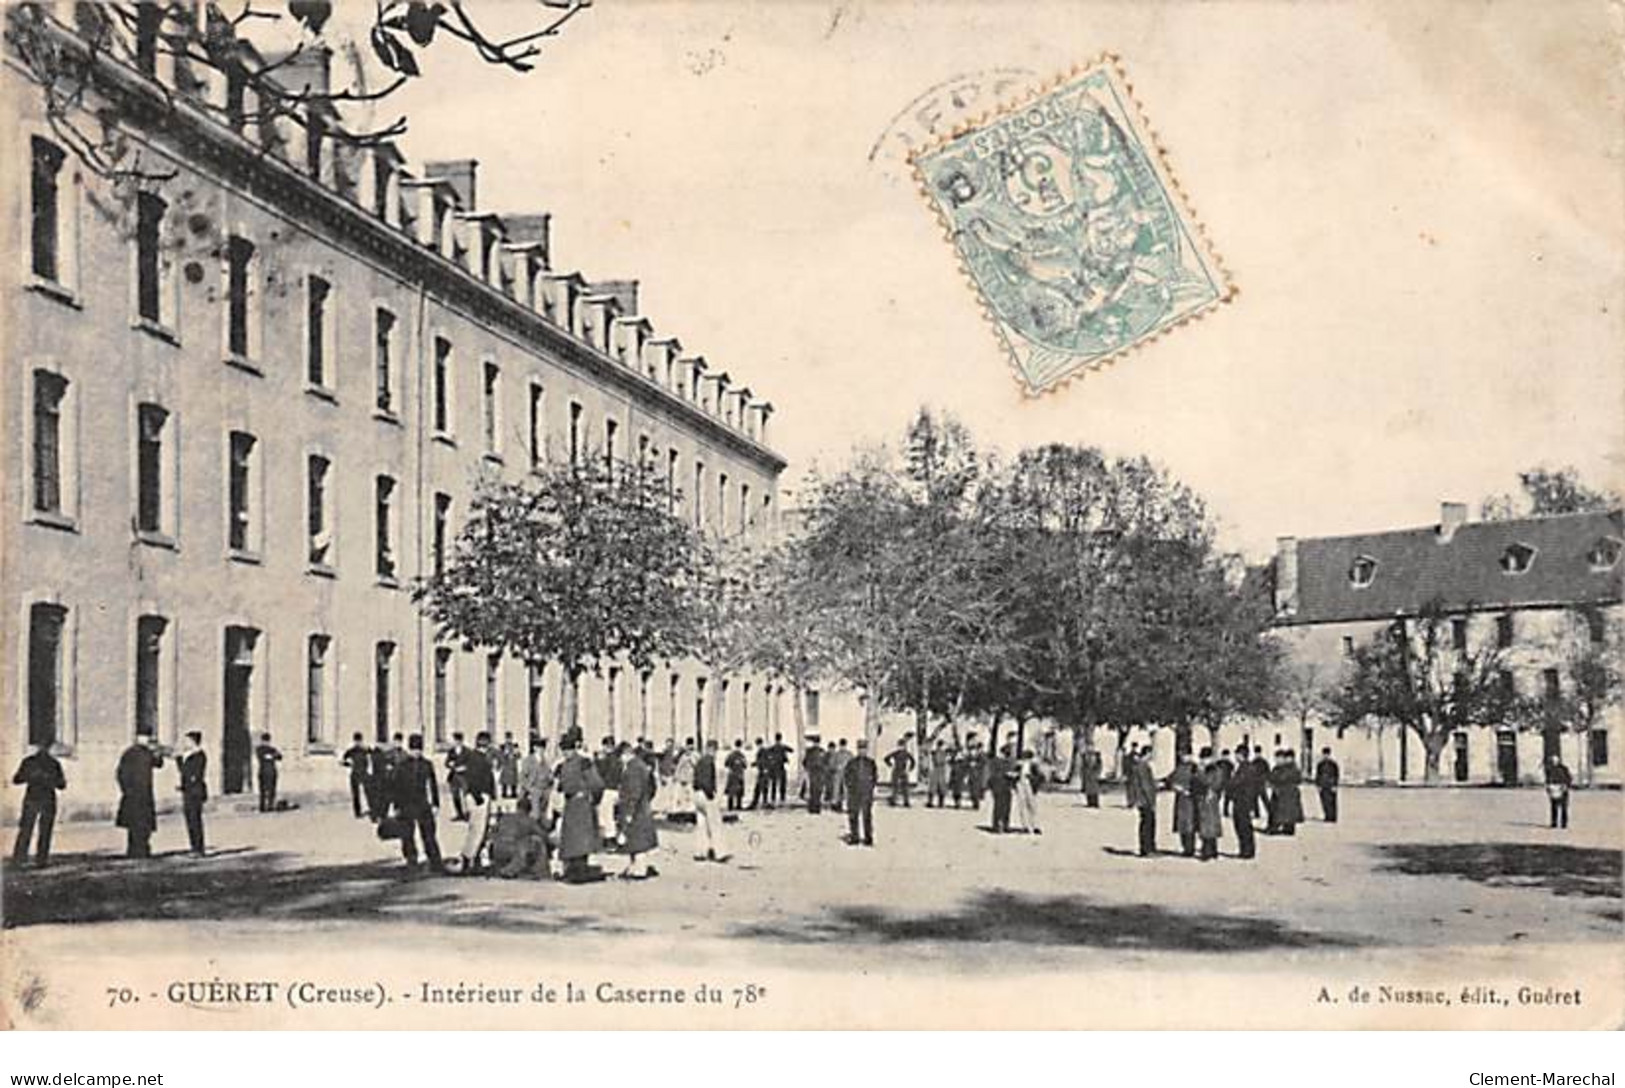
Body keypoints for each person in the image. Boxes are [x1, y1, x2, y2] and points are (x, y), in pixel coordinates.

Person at [391, 734, 445, 874]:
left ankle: (435, 861)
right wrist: (396, 806)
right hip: (406, 803)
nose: (417, 753)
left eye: (419, 749)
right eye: (414, 749)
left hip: (422, 803)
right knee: (407, 834)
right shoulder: (402, 765)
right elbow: (396, 787)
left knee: (428, 833)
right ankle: (411, 859)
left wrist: (435, 804)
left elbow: (432, 785)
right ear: (410, 749)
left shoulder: (427, 764)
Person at [11, 738, 66, 867]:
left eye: (46, 746)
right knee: (27, 829)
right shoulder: (31, 762)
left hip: (44, 798)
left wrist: (49, 779)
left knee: (43, 830)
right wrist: (31, 776)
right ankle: (22, 858)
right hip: (35, 798)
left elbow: (62, 784)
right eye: (43, 746)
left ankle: (40, 859)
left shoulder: (52, 764)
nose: (44, 749)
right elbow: (17, 779)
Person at [115, 735, 165, 859]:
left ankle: (142, 849)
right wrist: (126, 789)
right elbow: (121, 773)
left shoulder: (147, 753)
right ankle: (134, 850)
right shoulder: (130, 753)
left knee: (143, 824)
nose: (146, 741)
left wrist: (157, 752)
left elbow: (158, 764)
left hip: (144, 794)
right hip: (134, 794)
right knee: (135, 824)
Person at [617, 745, 660, 878]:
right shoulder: (640, 766)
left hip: (636, 809)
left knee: (637, 840)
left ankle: (639, 869)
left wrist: (630, 810)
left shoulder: (633, 769)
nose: (620, 760)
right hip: (643, 806)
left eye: (621, 757)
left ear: (626, 754)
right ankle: (635, 866)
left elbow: (634, 792)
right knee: (635, 839)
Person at [459, 733, 497, 875]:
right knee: (478, 830)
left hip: (477, 796)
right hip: (479, 797)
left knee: (477, 830)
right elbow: (473, 779)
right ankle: (469, 859)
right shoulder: (478, 759)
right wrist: (478, 797)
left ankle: (472, 860)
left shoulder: (474, 757)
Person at [489, 797, 549, 879]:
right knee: (537, 841)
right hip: (514, 851)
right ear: (529, 810)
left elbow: (492, 831)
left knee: (522, 842)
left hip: (497, 850)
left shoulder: (505, 817)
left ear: (517, 807)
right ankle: (538, 872)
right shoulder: (528, 820)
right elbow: (544, 836)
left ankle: (503, 868)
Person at [693, 739, 729, 862]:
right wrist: (711, 795)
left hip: (697, 794)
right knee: (714, 824)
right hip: (705, 794)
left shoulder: (699, 761)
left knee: (701, 824)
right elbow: (707, 780)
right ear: (713, 749)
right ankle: (720, 853)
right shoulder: (709, 761)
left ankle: (700, 852)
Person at [1227, 744, 1262, 860]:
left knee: (1243, 826)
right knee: (1243, 826)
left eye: (1237, 754)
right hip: (1244, 800)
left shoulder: (1245, 768)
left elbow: (1237, 782)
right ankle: (1246, 849)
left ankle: (1247, 850)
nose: (1235, 756)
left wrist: (1229, 783)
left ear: (1241, 755)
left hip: (1242, 800)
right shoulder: (1246, 767)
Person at [177, 731, 208, 857]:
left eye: (187, 741)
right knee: (189, 819)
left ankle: (198, 848)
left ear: (193, 741)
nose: (185, 743)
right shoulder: (189, 755)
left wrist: (180, 760)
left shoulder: (199, 755)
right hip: (188, 790)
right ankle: (194, 847)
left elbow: (193, 774)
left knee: (195, 819)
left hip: (195, 791)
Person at [843, 738, 878, 846]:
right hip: (854, 793)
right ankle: (855, 837)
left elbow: (875, 777)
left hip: (866, 793)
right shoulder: (852, 763)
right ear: (857, 750)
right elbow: (846, 776)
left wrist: (870, 788)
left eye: (864, 749)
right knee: (853, 815)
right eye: (860, 749)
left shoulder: (871, 763)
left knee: (867, 816)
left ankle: (868, 838)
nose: (862, 751)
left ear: (866, 750)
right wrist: (850, 788)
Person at [1170, 750, 1199, 857]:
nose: (1184, 757)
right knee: (1182, 824)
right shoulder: (1179, 767)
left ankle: (1190, 847)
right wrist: (1175, 787)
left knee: (1190, 823)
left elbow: (1199, 780)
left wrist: (1192, 790)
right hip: (1181, 799)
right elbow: (1171, 780)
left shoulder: (1194, 768)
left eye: (1186, 755)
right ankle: (1185, 847)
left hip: (1191, 798)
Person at [1197, 748, 1225, 861]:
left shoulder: (1210, 770)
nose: (1203, 761)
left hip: (1208, 800)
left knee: (1207, 825)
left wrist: (1200, 772)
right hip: (1209, 799)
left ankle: (1207, 851)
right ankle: (1212, 850)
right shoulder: (1216, 769)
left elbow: (1206, 782)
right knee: (1209, 824)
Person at [596, 738, 624, 847]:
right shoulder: (618, 760)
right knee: (610, 814)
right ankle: (611, 837)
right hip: (615, 789)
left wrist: (599, 760)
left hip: (606, 789)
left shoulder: (607, 759)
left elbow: (600, 773)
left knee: (606, 815)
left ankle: (609, 839)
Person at [1268, 750, 1304, 835]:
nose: (1277, 760)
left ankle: (1286, 828)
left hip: (1287, 793)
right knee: (1278, 811)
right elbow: (1271, 777)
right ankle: (1278, 827)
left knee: (1285, 811)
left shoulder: (1290, 769)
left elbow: (1296, 779)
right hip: (1280, 793)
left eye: (1279, 758)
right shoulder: (1277, 768)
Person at [1131, 746, 1159, 857]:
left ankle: (1149, 847)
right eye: (1151, 754)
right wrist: (1151, 801)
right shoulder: (1143, 766)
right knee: (1148, 824)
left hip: (1143, 800)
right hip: (1145, 800)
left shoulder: (1140, 766)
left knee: (1148, 823)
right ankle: (1147, 849)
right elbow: (1145, 785)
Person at [518, 737, 553, 821]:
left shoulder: (546, 761)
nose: (541, 750)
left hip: (544, 791)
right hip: (533, 790)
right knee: (535, 814)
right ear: (534, 748)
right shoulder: (528, 760)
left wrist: (549, 785)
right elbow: (522, 777)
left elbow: (549, 774)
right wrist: (530, 789)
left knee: (542, 814)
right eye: (539, 747)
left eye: (543, 748)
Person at [341, 733, 373, 819]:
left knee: (368, 792)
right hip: (357, 773)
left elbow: (372, 756)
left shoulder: (364, 749)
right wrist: (348, 764)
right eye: (357, 741)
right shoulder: (352, 750)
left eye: (359, 741)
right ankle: (358, 812)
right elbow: (342, 760)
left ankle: (370, 809)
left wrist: (347, 764)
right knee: (356, 794)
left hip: (362, 773)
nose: (358, 743)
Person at [987, 743, 1016, 833]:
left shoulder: (1010, 762)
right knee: (999, 806)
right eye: (1009, 752)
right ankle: (997, 825)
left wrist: (1013, 776)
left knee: (1007, 806)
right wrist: (1005, 774)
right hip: (998, 786)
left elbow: (1012, 772)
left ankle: (1005, 824)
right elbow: (993, 775)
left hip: (1007, 787)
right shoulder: (996, 761)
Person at [1014, 749, 1042, 834]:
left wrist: (1031, 777)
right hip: (1020, 785)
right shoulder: (1018, 766)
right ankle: (1025, 826)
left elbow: (1040, 777)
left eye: (1026, 758)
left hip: (1030, 786)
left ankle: (1033, 825)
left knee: (1032, 807)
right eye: (1024, 758)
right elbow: (1014, 774)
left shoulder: (1034, 766)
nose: (1025, 760)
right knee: (1022, 806)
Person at [253, 732, 281, 813]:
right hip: (264, 771)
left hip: (271, 771)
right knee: (263, 790)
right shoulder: (260, 749)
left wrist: (271, 756)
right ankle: (262, 806)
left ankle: (270, 805)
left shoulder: (272, 749)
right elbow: (262, 756)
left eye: (267, 741)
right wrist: (272, 756)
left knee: (271, 789)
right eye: (265, 740)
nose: (266, 742)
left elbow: (279, 756)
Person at [444, 733, 470, 821]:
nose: (457, 742)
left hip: (464, 776)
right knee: (455, 796)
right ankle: (459, 814)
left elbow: (471, 763)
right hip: (454, 776)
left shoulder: (467, 751)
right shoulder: (451, 751)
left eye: (459, 741)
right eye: (455, 741)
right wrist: (450, 765)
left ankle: (467, 813)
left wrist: (465, 767)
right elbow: (446, 763)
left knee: (465, 795)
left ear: (462, 741)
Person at [1545, 755, 1573, 829]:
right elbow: (1548, 780)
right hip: (1554, 790)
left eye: (1554, 761)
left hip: (1563, 789)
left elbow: (1569, 778)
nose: (1553, 763)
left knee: (1564, 807)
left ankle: (1564, 823)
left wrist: (1566, 786)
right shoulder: (1549, 769)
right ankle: (1554, 823)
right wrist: (1548, 788)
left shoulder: (1564, 769)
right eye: (1552, 761)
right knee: (1554, 807)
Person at [885, 737, 915, 807]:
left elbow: (913, 761)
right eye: (900, 745)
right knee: (895, 787)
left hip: (902, 770)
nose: (901, 747)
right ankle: (894, 801)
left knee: (904, 787)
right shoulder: (896, 753)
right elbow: (886, 758)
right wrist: (890, 764)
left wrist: (910, 768)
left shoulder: (906, 753)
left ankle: (906, 801)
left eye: (902, 746)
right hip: (897, 770)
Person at [1314, 747, 1341, 823]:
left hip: (1331, 785)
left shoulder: (1333, 764)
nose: (1325, 756)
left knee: (1332, 801)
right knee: (1324, 801)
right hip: (1323, 785)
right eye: (1324, 754)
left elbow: (1336, 775)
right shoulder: (1320, 764)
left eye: (1327, 754)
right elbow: (1318, 775)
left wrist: (1335, 785)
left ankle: (1333, 817)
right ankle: (1327, 816)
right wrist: (1318, 785)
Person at [803, 736, 828, 815]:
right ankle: (815, 808)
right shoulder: (821, 751)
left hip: (816, 773)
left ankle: (814, 808)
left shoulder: (810, 751)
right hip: (816, 773)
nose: (816, 744)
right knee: (815, 790)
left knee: (816, 790)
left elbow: (804, 762)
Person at [827, 738, 852, 813]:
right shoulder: (836, 755)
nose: (842, 747)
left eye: (843, 746)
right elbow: (831, 765)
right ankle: (836, 805)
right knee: (836, 791)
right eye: (841, 746)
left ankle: (846, 806)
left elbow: (853, 765)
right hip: (837, 776)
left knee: (846, 791)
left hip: (847, 776)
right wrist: (836, 767)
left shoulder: (849, 754)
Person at [768, 733, 792, 807]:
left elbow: (768, 753)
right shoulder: (783, 747)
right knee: (782, 784)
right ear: (781, 738)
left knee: (774, 784)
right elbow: (791, 750)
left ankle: (773, 799)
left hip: (774, 768)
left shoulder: (772, 747)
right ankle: (782, 799)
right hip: (781, 767)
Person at [723, 740, 748, 812]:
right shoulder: (742, 755)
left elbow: (726, 764)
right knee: (739, 791)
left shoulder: (731, 755)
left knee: (731, 791)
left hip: (732, 774)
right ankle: (738, 805)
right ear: (741, 746)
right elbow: (745, 766)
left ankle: (730, 806)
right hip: (739, 774)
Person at [964, 736, 987, 811]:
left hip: (977, 775)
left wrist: (975, 764)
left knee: (975, 790)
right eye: (971, 750)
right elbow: (965, 765)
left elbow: (983, 763)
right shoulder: (968, 757)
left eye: (974, 750)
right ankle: (974, 802)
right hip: (971, 774)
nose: (972, 752)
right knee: (971, 790)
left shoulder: (980, 756)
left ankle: (976, 804)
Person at [927, 740, 951, 809]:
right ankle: (935, 802)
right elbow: (938, 761)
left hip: (939, 770)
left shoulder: (937, 752)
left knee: (938, 787)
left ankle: (937, 802)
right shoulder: (940, 753)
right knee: (936, 786)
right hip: (938, 770)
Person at [497, 732, 521, 802]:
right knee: (504, 780)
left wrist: (516, 753)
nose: (509, 740)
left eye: (510, 738)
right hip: (506, 765)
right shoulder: (502, 746)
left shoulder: (515, 745)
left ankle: (514, 792)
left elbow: (519, 756)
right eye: (507, 738)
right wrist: (505, 753)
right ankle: (504, 793)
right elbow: (500, 756)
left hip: (513, 764)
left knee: (513, 780)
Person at [749, 738, 771, 810]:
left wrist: (764, 768)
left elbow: (763, 761)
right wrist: (754, 764)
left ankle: (756, 803)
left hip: (763, 772)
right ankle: (762, 802)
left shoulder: (763, 751)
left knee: (760, 787)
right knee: (762, 787)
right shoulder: (763, 750)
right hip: (763, 771)